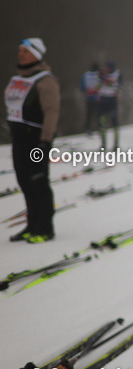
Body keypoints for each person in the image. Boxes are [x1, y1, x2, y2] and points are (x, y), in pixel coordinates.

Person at [5, 39, 60, 242]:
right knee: (24, 182)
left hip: (37, 140)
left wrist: (45, 142)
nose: (21, 54)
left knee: (38, 182)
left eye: (26, 51)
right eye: (20, 51)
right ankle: (32, 224)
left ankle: (45, 228)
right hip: (19, 139)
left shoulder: (45, 80)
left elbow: (51, 112)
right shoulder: (17, 78)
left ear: (37, 54)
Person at [97, 61, 121, 148]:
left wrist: (109, 82)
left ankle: (116, 144)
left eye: (109, 68)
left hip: (112, 100)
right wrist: (101, 78)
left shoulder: (117, 74)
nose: (107, 69)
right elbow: (97, 86)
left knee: (114, 122)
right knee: (102, 122)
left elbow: (118, 87)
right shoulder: (101, 74)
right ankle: (103, 144)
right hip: (103, 99)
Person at [80, 63, 101, 136]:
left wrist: (87, 90)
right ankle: (100, 128)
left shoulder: (86, 75)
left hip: (89, 98)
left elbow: (82, 87)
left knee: (89, 115)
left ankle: (88, 129)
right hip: (98, 98)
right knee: (99, 115)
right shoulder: (99, 75)